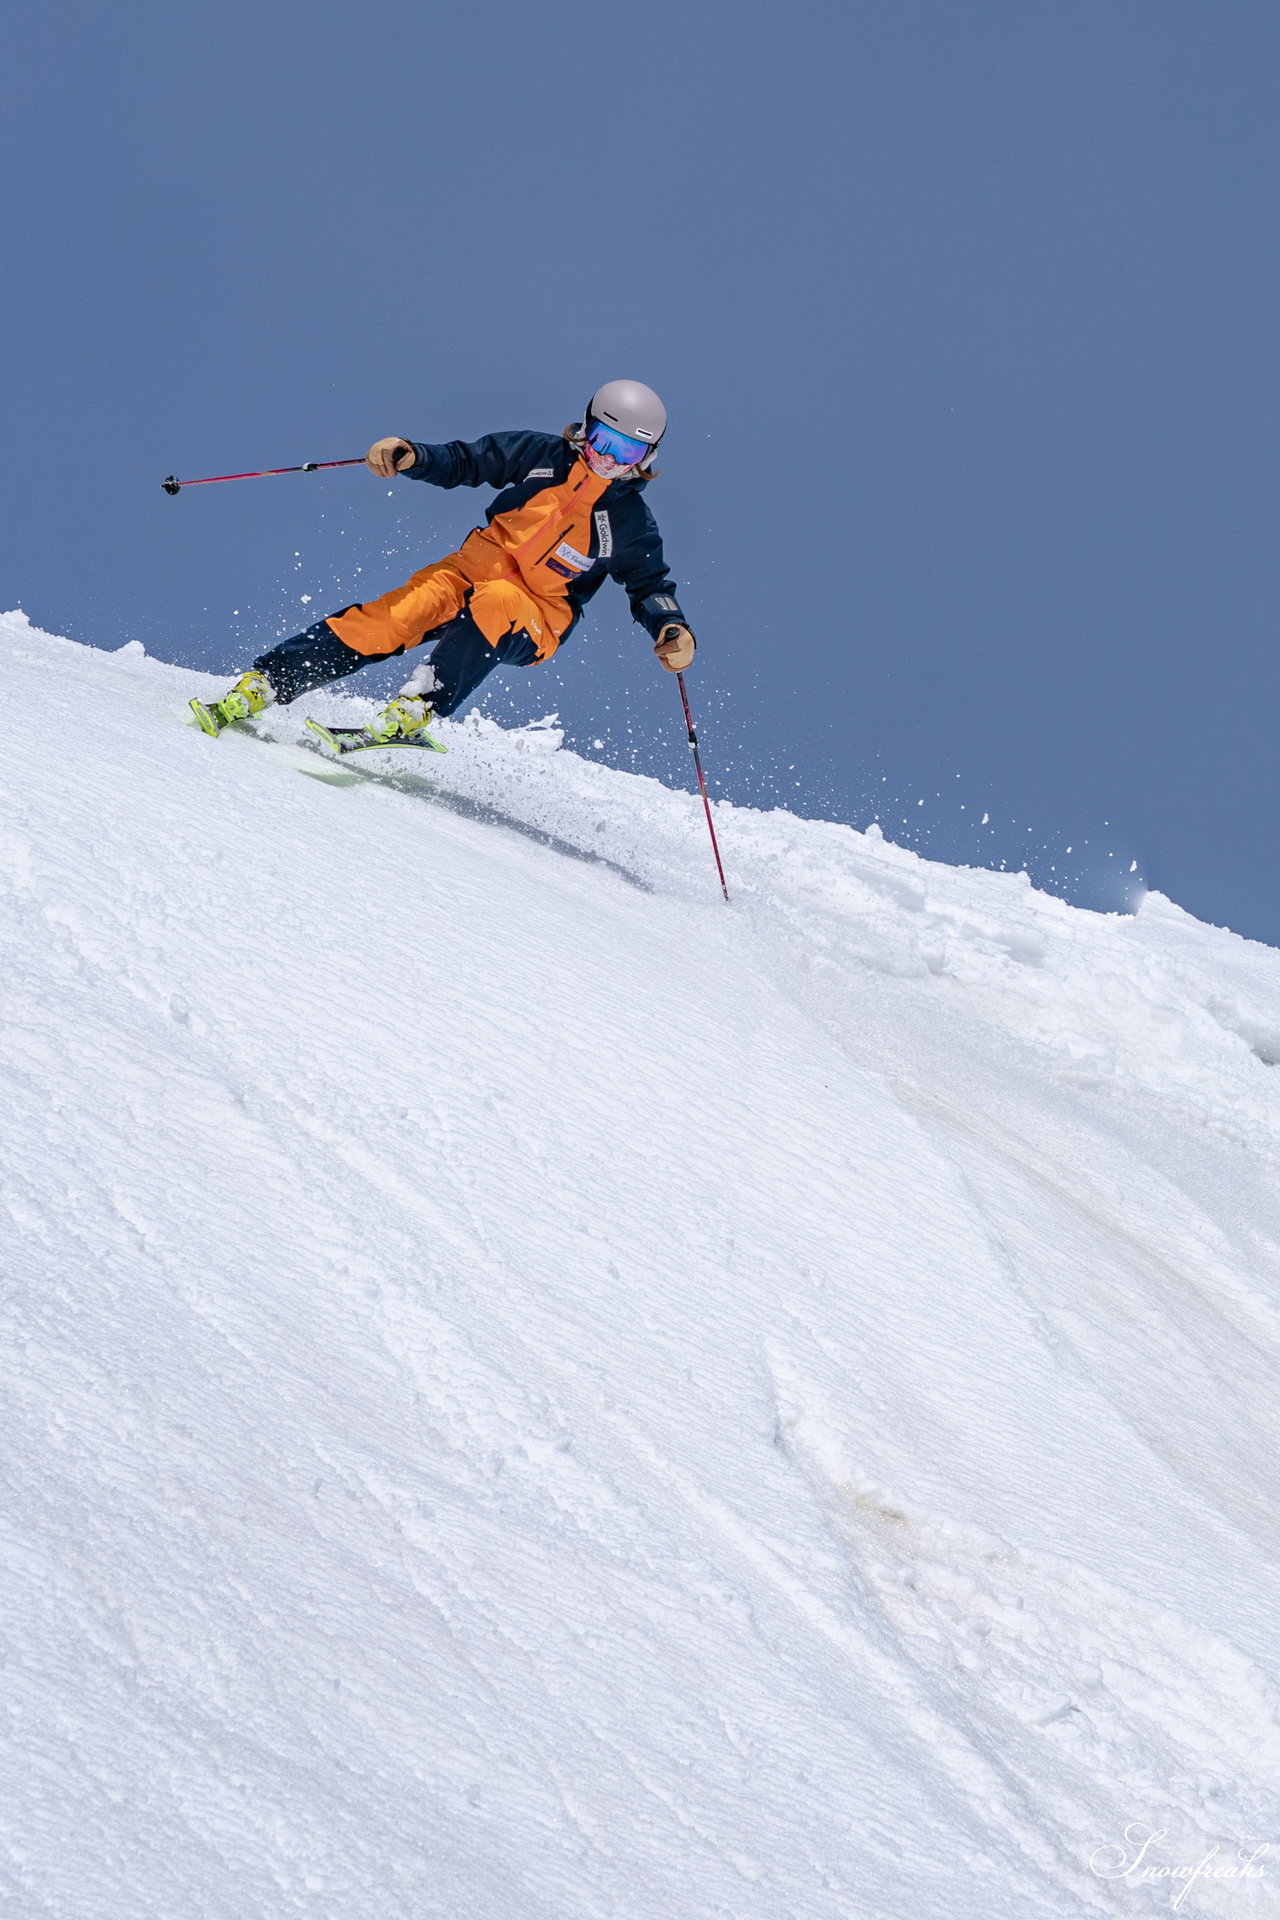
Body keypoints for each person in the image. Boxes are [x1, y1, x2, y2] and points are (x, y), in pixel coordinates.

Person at [190, 379, 696, 752]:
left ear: (647, 455)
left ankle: (415, 710)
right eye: (606, 442)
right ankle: (267, 682)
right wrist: (412, 455)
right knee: (390, 618)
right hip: (468, 572)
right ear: (587, 429)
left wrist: (671, 625)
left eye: (629, 452)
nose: (612, 459)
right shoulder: (542, 455)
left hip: (540, 613)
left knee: (499, 602)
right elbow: (469, 460)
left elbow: (650, 583)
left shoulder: (629, 519)